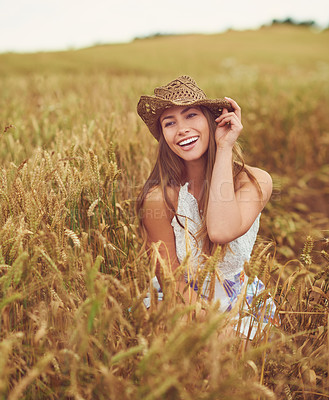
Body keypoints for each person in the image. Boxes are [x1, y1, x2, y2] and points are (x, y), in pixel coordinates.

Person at [136, 75, 276, 338]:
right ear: (163, 136)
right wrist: (214, 328)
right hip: (183, 303)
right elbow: (172, 279)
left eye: (191, 115)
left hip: (243, 302)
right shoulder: (158, 199)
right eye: (170, 123)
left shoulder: (256, 181)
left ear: (213, 121)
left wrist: (224, 148)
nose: (181, 129)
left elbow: (221, 231)